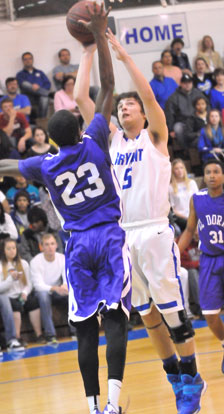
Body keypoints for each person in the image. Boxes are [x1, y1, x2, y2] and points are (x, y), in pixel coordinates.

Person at [0, 6, 131, 414]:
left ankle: (92, 406)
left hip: (76, 247)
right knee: (116, 320)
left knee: (85, 330)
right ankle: (112, 405)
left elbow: (7, 166)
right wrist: (97, 35)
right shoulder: (94, 140)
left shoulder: (44, 163)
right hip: (108, 237)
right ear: (78, 129)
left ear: (52, 141)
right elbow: (107, 86)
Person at [74, 28, 206, 414]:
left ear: (144, 114)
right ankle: (175, 377)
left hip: (154, 231)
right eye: (120, 108)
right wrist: (88, 50)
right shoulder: (112, 141)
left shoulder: (156, 137)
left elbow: (147, 94)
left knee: (172, 313)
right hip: (123, 237)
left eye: (129, 107)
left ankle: (193, 376)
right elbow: (83, 98)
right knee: (146, 314)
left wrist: (122, 54)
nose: (123, 109)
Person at [178, 159, 224, 373]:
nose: (212, 175)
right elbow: (188, 230)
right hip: (208, 260)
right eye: (208, 172)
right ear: (203, 176)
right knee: (210, 314)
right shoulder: (197, 199)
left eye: (216, 171)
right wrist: (175, 253)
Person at [0, 238, 43, 344]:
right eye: (8, 248)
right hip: (8, 296)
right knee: (15, 305)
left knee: (33, 302)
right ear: (3, 250)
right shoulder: (1, 266)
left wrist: (24, 292)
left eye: (14, 248)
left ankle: (39, 335)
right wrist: (11, 279)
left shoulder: (23, 263)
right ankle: (17, 337)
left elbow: (29, 284)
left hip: (22, 294)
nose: (12, 251)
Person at [30, 233, 69, 344]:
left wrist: (65, 286)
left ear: (56, 245)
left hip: (57, 290)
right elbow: (38, 285)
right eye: (46, 244)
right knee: (43, 296)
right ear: (41, 247)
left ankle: (75, 330)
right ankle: (50, 335)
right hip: (42, 292)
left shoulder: (62, 258)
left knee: (71, 294)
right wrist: (54, 288)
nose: (50, 247)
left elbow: (67, 276)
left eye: (52, 244)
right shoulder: (35, 262)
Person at [165, 74, 206, 149]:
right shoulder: (173, 97)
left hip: (197, 120)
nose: (187, 85)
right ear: (180, 84)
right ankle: (186, 150)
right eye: (185, 83)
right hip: (183, 122)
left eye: (189, 82)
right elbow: (169, 114)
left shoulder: (198, 93)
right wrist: (170, 129)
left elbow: (207, 106)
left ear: (192, 83)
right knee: (178, 128)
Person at [16, 52, 51, 119]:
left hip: (40, 97)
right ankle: (49, 94)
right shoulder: (20, 74)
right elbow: (22, 85)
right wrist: (33, 86)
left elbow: (48, 84)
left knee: (45, 98)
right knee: (25, 84)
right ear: (23, 61)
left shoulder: (40, 72)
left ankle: (41, 120)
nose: (28, 61)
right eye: (25, 59)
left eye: (30, 58)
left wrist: (39, 88)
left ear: (32, 60)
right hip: (28, 97)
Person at [169, 159, 198, 233]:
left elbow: (198, 201)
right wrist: (187, 218)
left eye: (181, 168)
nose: (179, 170)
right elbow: (173, 209)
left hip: (194, 215)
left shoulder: (192, 183)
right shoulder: (170, 187)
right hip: (181, 217)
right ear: (173, 171)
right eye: (176, 168)